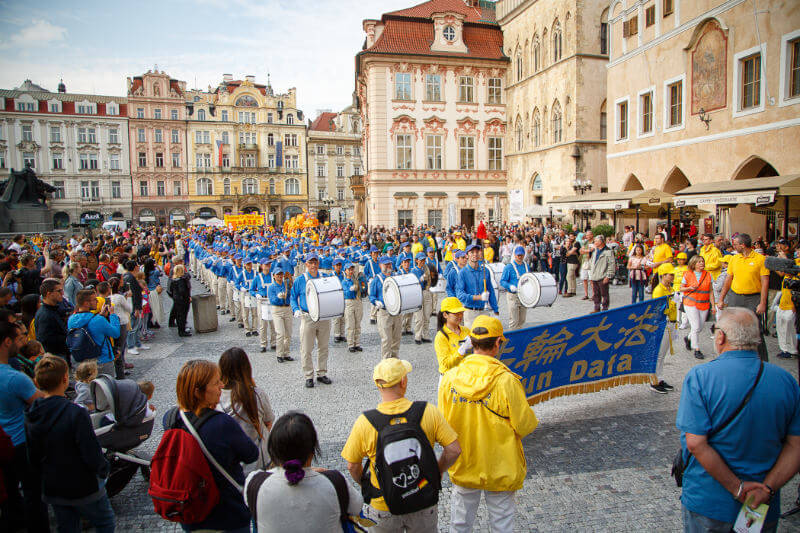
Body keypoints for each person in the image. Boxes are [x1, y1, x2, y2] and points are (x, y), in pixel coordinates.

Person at [676, 307, 800, 531]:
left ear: (721, 336)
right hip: (762, 503)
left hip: (709, 500)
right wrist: (767, 489)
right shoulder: (786, 381)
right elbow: (796, 446)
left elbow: (695, 443)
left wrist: (738, 488)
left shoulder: (701, 377)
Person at [438, 315, 538, 533]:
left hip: (464, 463)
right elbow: (525, 425)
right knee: (502, 524)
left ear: (471, 343)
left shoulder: (450, 379)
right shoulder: (507, 381)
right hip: (500, 465)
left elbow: (443, 426)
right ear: (497, 344)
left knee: (460, 523)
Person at [342, 358, 461, 532]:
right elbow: (454, 450)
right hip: (422, 499)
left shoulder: (365, 422)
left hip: (384, 504)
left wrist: (366, 484)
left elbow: (352, 465)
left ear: (378, 385)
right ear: (404, 381)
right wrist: (438, 471)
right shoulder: (428, 411)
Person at [164, 359, 259, 533]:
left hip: (190, 509)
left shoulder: (170, 418)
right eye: (216, 383)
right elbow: (251, 454)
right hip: (227, 512)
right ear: (198, 392)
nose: (222, 386)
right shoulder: (222, 423)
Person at [25, 355, 115, 533]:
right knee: (105, 523)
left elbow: (32, 456)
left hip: (53, 486)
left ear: (37, 381)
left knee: (67, 527)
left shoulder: (31, 414)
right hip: (83, 484)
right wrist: (103, 468)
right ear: (65, 379)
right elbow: (90, 450)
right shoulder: (74, 413)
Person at [245, 411, 363, 533]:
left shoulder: (254, 483)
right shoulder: (335, 482)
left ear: (273, 450)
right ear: (312, 452)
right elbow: (357, 506)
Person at [0, 320, 48, 533]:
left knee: (9, 492)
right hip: (20, 442)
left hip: (4, 441)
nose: (23, 343)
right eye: (18, 338)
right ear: (7, 342)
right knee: (33, 493)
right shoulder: (15, 378)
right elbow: (43, 403)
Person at [217, 348, 274, 469]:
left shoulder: (216, 398)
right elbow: (268, 422)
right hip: (261, 460)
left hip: (232, 465)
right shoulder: (257, 394)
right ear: (247, 368)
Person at [718, 233, 769, 362]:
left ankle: (762, 360)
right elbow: (728, 280)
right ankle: (736, 355)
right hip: (735, 296)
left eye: (735, 244)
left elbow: (765, 283)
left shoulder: (760, 259)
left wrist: (762, 303)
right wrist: (721, 299)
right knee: (734, 327)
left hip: (753, 298)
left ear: (743, 245)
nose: (733, 246)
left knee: (755, 328)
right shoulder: (734, 259)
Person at [290, 253, 332, 388]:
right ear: (306, 264)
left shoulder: (325, 278)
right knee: (306, 348)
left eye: (315, 262)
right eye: (310, 263)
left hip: (323, 317)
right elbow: (292, 297)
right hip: (308, 317)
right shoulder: (300, 280)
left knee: (323, 346)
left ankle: (321, 373)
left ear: (318, 264)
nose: (313, 265)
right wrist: (295, 309)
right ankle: (308, 375)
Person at [67, 288, 121, 377]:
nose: (97, 301)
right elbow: (115, 333)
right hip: (101, 359)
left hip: (81, 360)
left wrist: (100, 315)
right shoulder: (98, 320)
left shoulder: (71, 319)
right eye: (94, 300)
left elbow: (87, 322)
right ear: (86, 303)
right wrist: (112, 314)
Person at [681, 256, 715, 360]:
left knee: (699, 327)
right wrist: (689, 288)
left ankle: (688, 338)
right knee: (695, 327)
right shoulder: (687, 274)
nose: (701, 263)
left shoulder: (708, 275)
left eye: (702, 262)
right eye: (699, 262)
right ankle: (696, 349)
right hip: (690, 302)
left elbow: (710, 291)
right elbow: (681, 288)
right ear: (694, 263)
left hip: (703, 303)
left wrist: (713, 305)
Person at [456, 244, 498, 327]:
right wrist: (477, 297)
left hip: (484, 311)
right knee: (472, 339)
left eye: (477, 252)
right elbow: (460, 295)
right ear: (467, 255)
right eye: (472, 252)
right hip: (470, 312)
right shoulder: (462, 273)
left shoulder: (485, 271)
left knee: (486, 338)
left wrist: (495, 310)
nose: (475, 254)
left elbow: (491, 291)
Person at [370, 256, 402, 359]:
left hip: (397, 312)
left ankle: (395, 359)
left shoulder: (396, 276)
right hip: (384, 312)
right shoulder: (376, 279)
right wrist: (376, 302)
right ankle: (386, 362)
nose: (388, 266)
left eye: (389, 264)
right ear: (380, 265)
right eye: (385, 264)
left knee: (396, 338)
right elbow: (372, 295)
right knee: (386, 339)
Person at [34, 278, 70, 364]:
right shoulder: (45, 314)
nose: (62, 293)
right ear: (49, 294)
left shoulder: (53, 310)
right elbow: (44, 339)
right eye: (59, 291)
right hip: (55, 357)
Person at [433, 297, 471, 378]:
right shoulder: (441, 337)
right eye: (456, 313)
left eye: (461, 312)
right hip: (449, 379)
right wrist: (462, 350)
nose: (460, 316)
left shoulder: (466, 331)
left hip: (466, 375)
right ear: (445, 315)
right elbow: (446, 364)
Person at [267, 266, 294, 363]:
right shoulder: (271, 287)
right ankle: (279, 354)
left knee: (288, 333)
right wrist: (281, 297)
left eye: (281, 274)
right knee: (280, 333)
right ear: (274, 276)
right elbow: (273, 300)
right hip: (277, 310)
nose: (279, 276)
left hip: (287, 308)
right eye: (277, 274)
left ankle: (286, 353)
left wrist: (290, 285)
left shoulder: (285, 284)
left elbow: (291, 294)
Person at [499, 246, 530, 331]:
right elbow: (502, 281)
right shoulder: (509, 267)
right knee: (514, 320)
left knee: (522, 320)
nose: (520, 257)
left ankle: (519, 338)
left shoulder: (526, 266)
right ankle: (512, 340)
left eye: (521, 255)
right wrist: (509, 286)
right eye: (518, 255)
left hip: (524, 296)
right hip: (513, 296)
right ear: (514, 255)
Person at [342, 262, 366, 353]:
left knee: (358, 324)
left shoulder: (357, 280)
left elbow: (364, 289)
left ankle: (357, 343)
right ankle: (351, 344)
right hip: (349, 302)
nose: (351, 271)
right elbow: (346, 293)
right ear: (345, 271)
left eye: (352, 269)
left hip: (358, 301)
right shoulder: (344, 282)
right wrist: (351, 289)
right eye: (349, 269)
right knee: (350, 325)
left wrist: (362, 284)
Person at [588, 235, 616, 313]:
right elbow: (592, 262)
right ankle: (596, 308)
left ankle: (605, 309)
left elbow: (611, 264)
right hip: (595, 276)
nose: (595, 243)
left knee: (604, 294)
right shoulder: (595, 251)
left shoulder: (608, 251)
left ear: (601, 242)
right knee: (596, 294)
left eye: (596, 241)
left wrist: (608, 276)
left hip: (603, 276)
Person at [411, 253, 433, 344]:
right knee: (419, 317)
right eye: (420, 260)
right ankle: (418, 336)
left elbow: (431, 281)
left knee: (427, 315)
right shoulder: (413, 271)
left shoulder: (426, 268)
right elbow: (413, 283)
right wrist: (421, 278)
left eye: (424, 260)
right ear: (416, 260)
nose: (422, 262)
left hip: (426, 292)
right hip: (417, 293)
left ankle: (426, 335)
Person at [170, 264, 192, 337]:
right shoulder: (181, 280)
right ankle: (182, 331)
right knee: (182, 315)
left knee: (179, 315)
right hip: (182, 300)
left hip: (177, 299)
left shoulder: (173, 279)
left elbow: (170, 290)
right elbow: (182, 291)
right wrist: (188, 297)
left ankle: (181, 330)